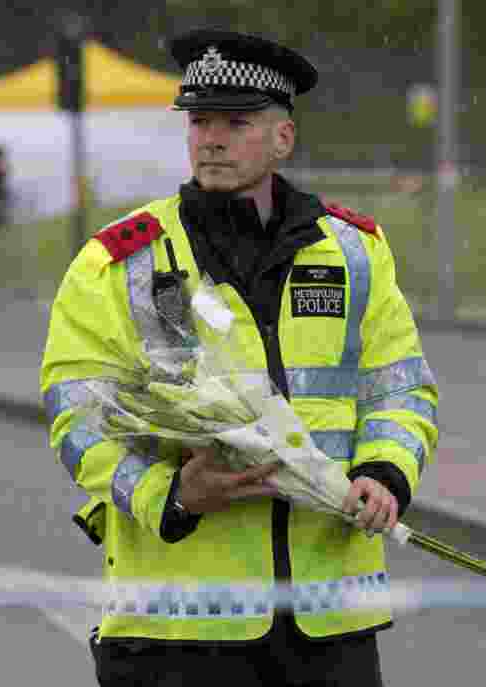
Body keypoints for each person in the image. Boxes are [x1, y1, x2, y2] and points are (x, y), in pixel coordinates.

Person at [40, 28, 439, 687]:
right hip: (179, 626)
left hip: (326, 624)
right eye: (199, 120)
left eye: (236, 122)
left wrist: (385, 471)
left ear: (283, 138)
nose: (212, 138)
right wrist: (168, 495)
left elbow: (399, 386)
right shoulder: (120, 261)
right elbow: (74, 414)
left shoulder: (354, 251)